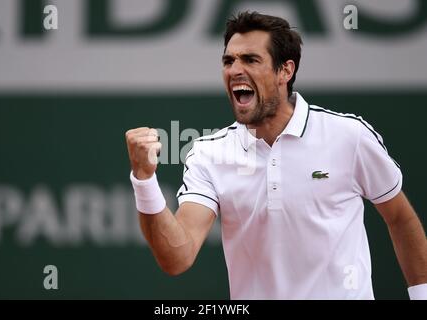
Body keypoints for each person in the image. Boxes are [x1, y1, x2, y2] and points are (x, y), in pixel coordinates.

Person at [125, 11, 427, 299]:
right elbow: (177, 257)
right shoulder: (208, 154)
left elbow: (400, 218)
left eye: (250, 59)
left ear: (285, 70)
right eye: (228, 60)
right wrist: (144, 180)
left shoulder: (350, 136)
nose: (235, 70)